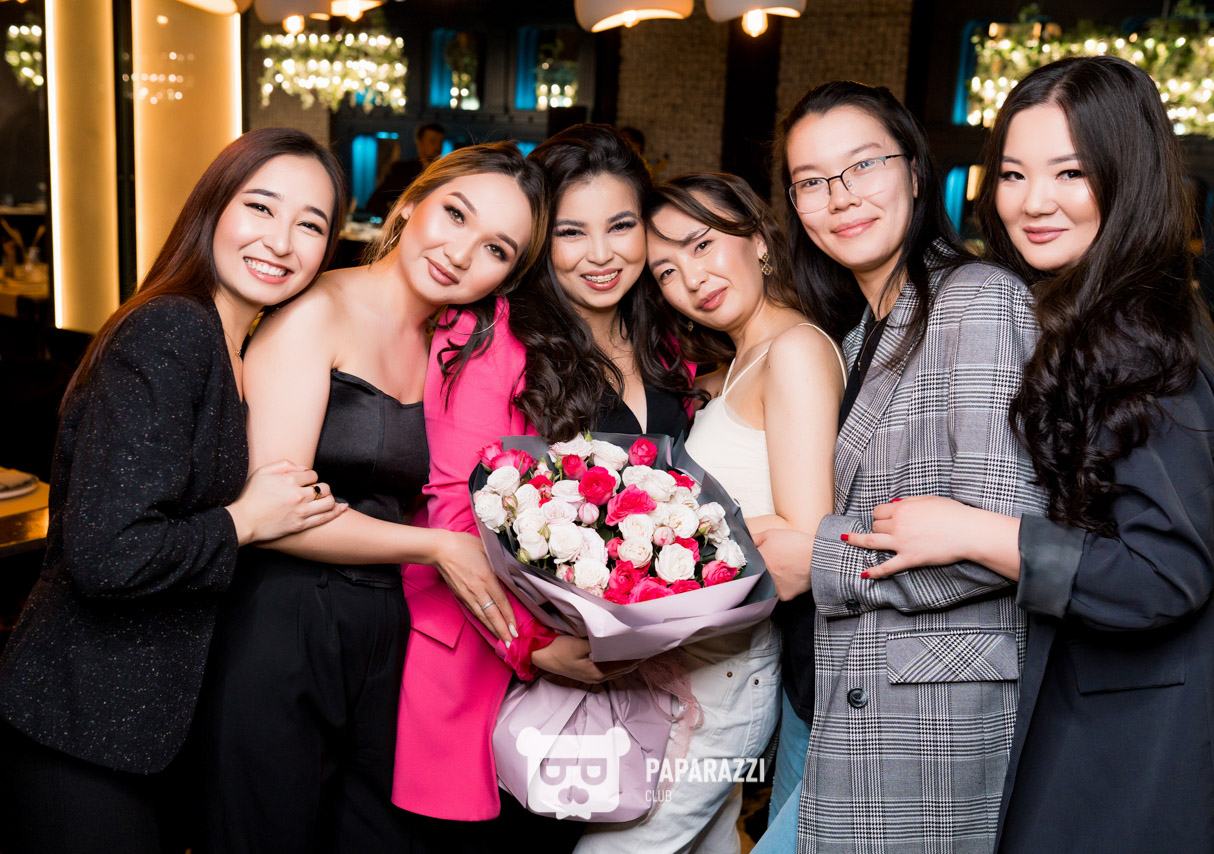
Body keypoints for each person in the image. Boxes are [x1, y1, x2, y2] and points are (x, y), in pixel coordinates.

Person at [844, 56, 1214, 853]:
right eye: (1013, 174)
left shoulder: (1137, 335)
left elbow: (1163, 574)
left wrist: (976, 532)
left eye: (1070, 172)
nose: (1033, 202)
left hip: (1134, 751)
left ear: (1128, 175)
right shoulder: (1103, 306)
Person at [0, 127, 348, 854]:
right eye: (261, 207)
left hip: (146, 728)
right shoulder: (172, 331)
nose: (281, 241)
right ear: (213, 207)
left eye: (310, 225)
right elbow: (108, 553)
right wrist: (246, 521)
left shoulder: (236, 345)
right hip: (84, 722)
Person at [199, 141, 547, 854]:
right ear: (412, 203)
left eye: (495, 249)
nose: (460, 253)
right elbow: (273, 508)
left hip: (383, 631)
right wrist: (435, 547)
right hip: (282, 622)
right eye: (455, 214)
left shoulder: (451, 344)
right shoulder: (316, 310)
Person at [753, 81, 1044, 853]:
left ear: (915, 170)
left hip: (928, 724)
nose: (840, 197)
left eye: (863, 165)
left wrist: (816, 559)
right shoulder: (856, 338)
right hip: (839, 696)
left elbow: (1007, 538)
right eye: (811, 181)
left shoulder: (979, 300)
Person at [391, 123, 696, 850]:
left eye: (621, 226)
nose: (601, 254)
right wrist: (533, 644)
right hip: (498, 665)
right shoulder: (491, 334)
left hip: (630, 670)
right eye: (571, 232)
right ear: (538, 242)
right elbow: (456, 512)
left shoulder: (666, 340)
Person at [578, 170, 840, 854]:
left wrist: (652, 555)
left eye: (701, 245)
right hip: (694, 664)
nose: (690, 280)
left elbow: (805, 546)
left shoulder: (795, 350)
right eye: (665, 270)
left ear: (758, 239)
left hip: (730, 670)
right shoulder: (736, 365)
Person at [366, 122, 448, 219]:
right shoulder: (403, 170)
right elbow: (374, 202)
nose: (438, 146)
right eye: (432, 141)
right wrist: (399, 220)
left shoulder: (445, 173)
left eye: (440, 141)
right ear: (419, 143)